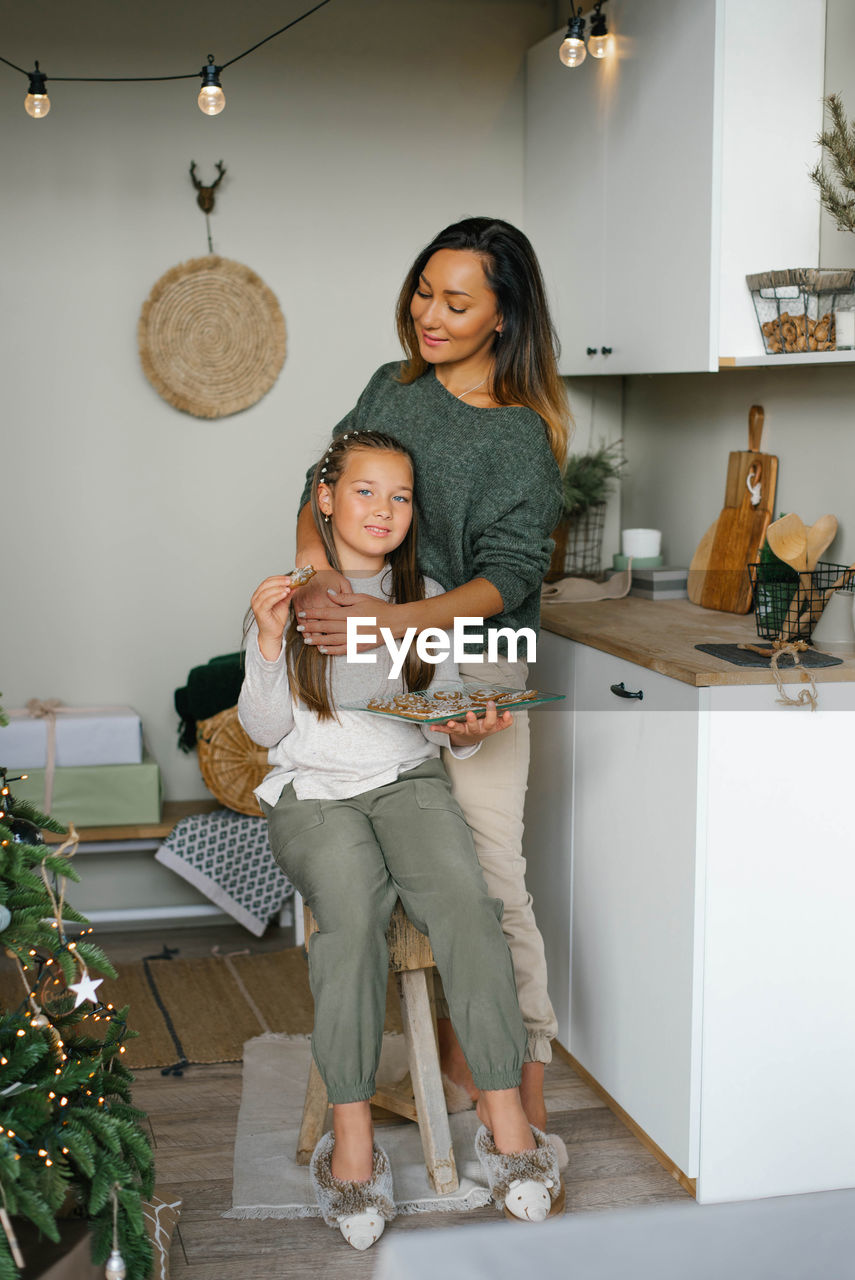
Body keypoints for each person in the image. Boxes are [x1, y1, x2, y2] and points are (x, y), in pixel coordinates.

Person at [238, 431, 564, 1250]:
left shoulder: (428, 595)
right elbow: (264, 727)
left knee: (466, 906)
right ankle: (351, 1149)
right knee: (349, 921)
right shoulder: (290, 596)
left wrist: (468, 728)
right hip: (314, 793)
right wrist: (270, 640)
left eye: (400, 496)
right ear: (324, 500)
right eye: (364, 492)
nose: (384, 510)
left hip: (408, 782)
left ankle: (506, 1130)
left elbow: (445, 724)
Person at [289, 217, 570, 1132]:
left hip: (474, 665)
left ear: (503, 317)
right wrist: (324, 581)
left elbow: (512, 576)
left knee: (490, 885)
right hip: (381, 657)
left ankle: (520, 1104)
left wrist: (395, 617)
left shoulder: (518, 436)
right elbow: (318, 485)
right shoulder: (390, 384)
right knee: (396, 879)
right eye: (422, 292)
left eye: (457, 303)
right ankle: (438, 1073)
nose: (429, 317)